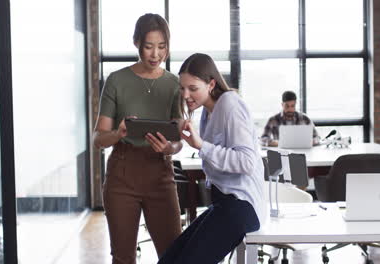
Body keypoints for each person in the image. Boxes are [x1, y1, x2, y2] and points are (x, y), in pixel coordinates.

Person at [158, 53, 266, 264]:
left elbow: (247, 162)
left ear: (211, 84)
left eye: (193, 88)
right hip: (224, 204)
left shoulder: (230, 105)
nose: (186, 94)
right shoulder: (207, 113)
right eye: (182, 88)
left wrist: (201, 146)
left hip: (242, 206)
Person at [93, 13, 183, 264]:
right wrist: (118, 133)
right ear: (136, 43)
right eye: (149, 46)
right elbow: (98, 139)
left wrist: (169, 147)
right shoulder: (116, 81)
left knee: (174, 254)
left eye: (162, 47)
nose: (156, 54)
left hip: (160, 175)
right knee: (123, 258)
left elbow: (178, 140)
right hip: (122, 176)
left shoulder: (175, 84)